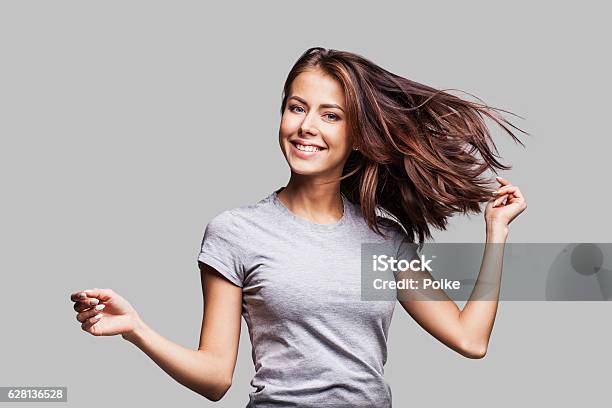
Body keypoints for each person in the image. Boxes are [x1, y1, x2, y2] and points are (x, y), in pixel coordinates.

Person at [69, 47, 527, 407]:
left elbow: (470, 339)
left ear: (357, 133)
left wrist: (496, 234)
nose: (307, 126)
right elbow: (214, 378)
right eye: (296, 107)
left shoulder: (383, 240)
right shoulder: (237, 233)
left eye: (331, 115)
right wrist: (137, 330)